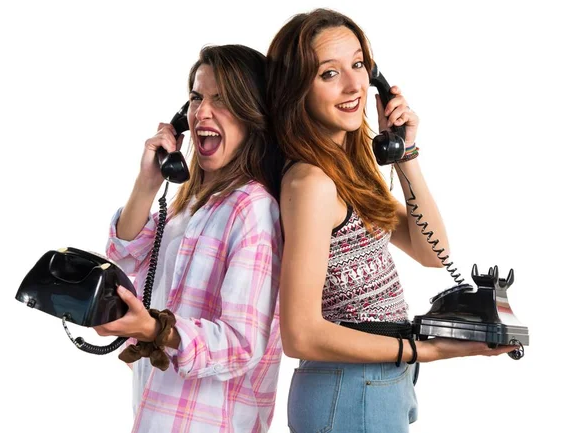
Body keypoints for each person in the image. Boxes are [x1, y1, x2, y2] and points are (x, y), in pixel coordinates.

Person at [266, 8, 518, 433]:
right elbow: (300, 334)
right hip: (349, 384)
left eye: (359, 65)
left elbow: (432, 252)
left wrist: (404, 154)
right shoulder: (310, 182)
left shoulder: (344, 171)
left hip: (380, 379)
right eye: (329, 73)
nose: (354, 86)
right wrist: (432, 350)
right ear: (296, 88)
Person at [94, 44, 284, 433]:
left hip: (209, 422)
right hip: (156, 411)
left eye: (222, 100)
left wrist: (153, 330)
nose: (203, 112)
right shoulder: (190, 204)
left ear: (253, 115)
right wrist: (147, 184)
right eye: (196, 98)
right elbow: (126, 259)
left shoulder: (253, 209)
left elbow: (242, 342)